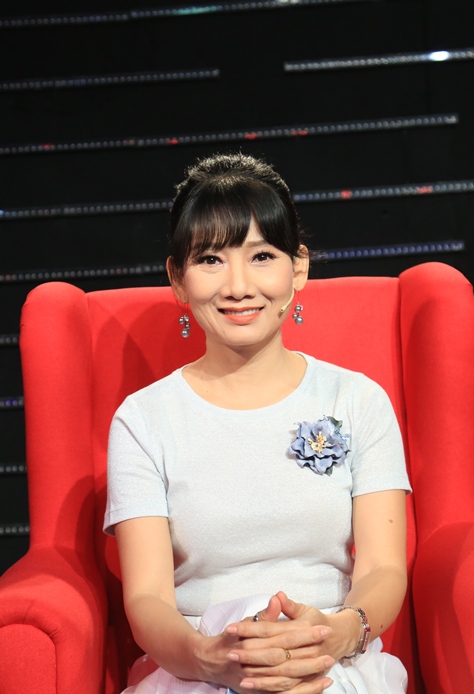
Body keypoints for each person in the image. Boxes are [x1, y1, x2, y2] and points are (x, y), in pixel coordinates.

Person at [104, 152, 412, 694]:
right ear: (178, 279)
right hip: (197, 665)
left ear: (298, 268)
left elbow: (383, 568)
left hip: (330, 659)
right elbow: (147, 598)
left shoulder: (357, 400)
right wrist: (210, 659)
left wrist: (336, 635)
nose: (238, 286)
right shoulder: (143, 420)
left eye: (262, 256)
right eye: (210, 260)